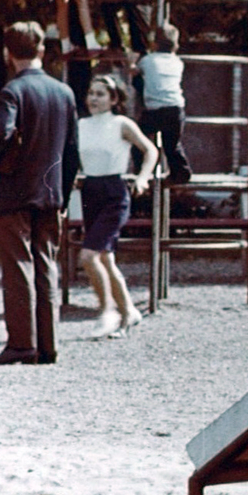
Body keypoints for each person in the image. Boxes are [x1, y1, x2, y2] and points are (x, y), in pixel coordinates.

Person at [0, 20, 81, 366]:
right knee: (46, 265)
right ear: (41, 50)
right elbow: (72, 152)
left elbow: (0, 132)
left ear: (8, 54)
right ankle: (48, 346)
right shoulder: (64, 93)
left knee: (19, 266)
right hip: (51, 194)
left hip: (15, 194)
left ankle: (22, 344)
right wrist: (63, 196)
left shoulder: (12, 92)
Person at [77, 75, 158, 337]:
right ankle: (129, 313)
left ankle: (106, 311)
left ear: (114, 99)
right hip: (90, 191)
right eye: (91, 93)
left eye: (100, 94)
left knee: (88, 256)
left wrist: (144, 176)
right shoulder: (81, 125)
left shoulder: (121, 123)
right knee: (106, 259)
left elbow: (150, 150)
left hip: (114, 192)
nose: (94, 99)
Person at [138, 22, 192, 185]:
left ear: (154, 44)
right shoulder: (178, 62)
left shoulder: (147, 60)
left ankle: (141, 169)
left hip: (154, 110)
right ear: (175, 46)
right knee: (172, 145)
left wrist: (131, 64)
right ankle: (181, 172)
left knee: (140, 138)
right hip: (175, 109)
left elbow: (136, 70)